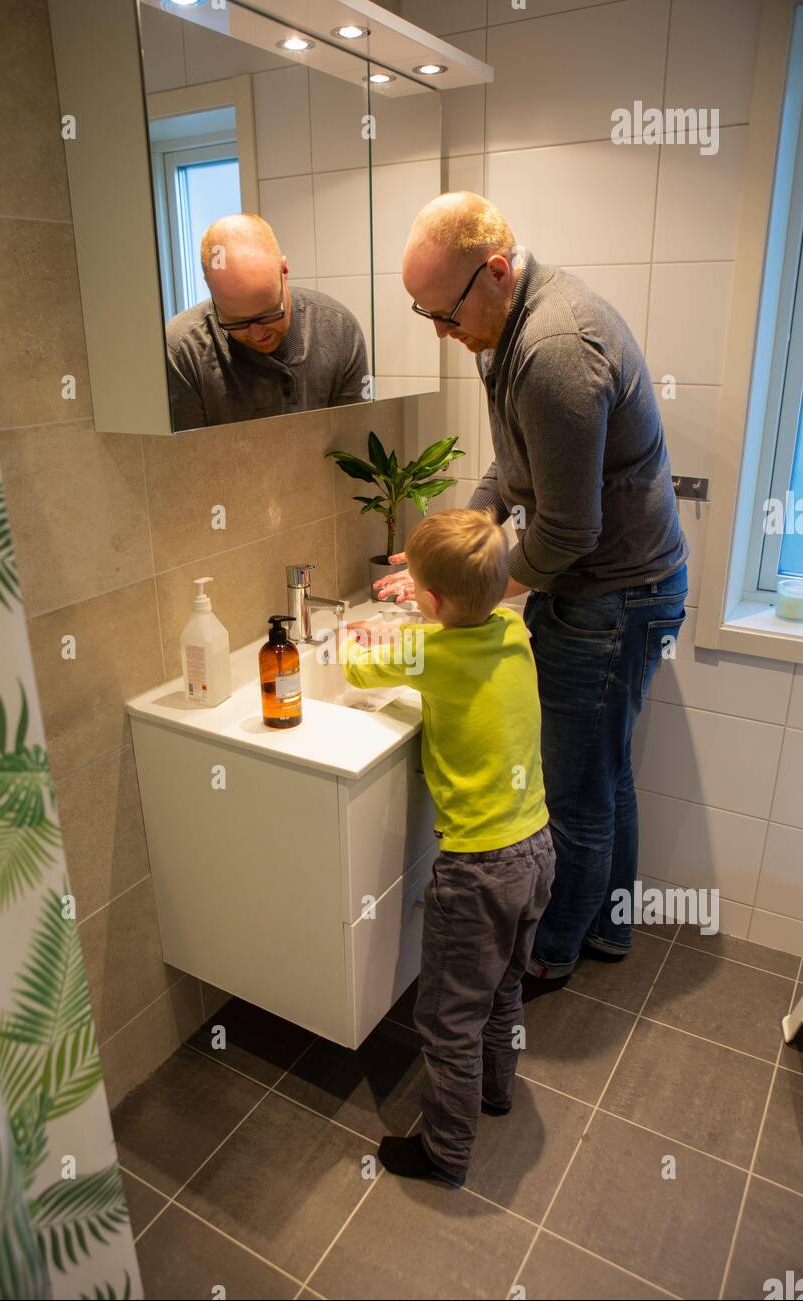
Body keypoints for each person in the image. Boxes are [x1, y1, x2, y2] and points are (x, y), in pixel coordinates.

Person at [377, 192, 688, 990]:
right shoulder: (500, 327)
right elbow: (513, 471)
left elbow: (567, 533)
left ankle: (550, 954)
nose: (442, 333)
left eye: (443, 313)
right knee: (604, 772)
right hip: (621, 585)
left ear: (497, 271)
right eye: (425, 316)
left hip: (612, 595)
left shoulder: (552, 349)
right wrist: (456, 544)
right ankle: (610, 929)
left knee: (578, 792)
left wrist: (469, 587)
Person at [340, 509, 555, 1187]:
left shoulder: (431, 652)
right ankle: (496, 1091)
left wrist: (367, 631)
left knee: (447, 1018)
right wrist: (430, 600)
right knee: (503, 989)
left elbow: (356, 666)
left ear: (428, 602)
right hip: (537, 847)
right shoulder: (515, 630)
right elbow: (468, 612)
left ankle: (445, 1151)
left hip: (478, 871)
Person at [166, 214, 369, 429]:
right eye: (236, 322)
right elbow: (186, 457)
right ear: (209, 287)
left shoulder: (338, 329)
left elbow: (355, 441)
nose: (256, 333)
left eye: (268, 315)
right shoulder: (182, 350)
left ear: (284, 271)